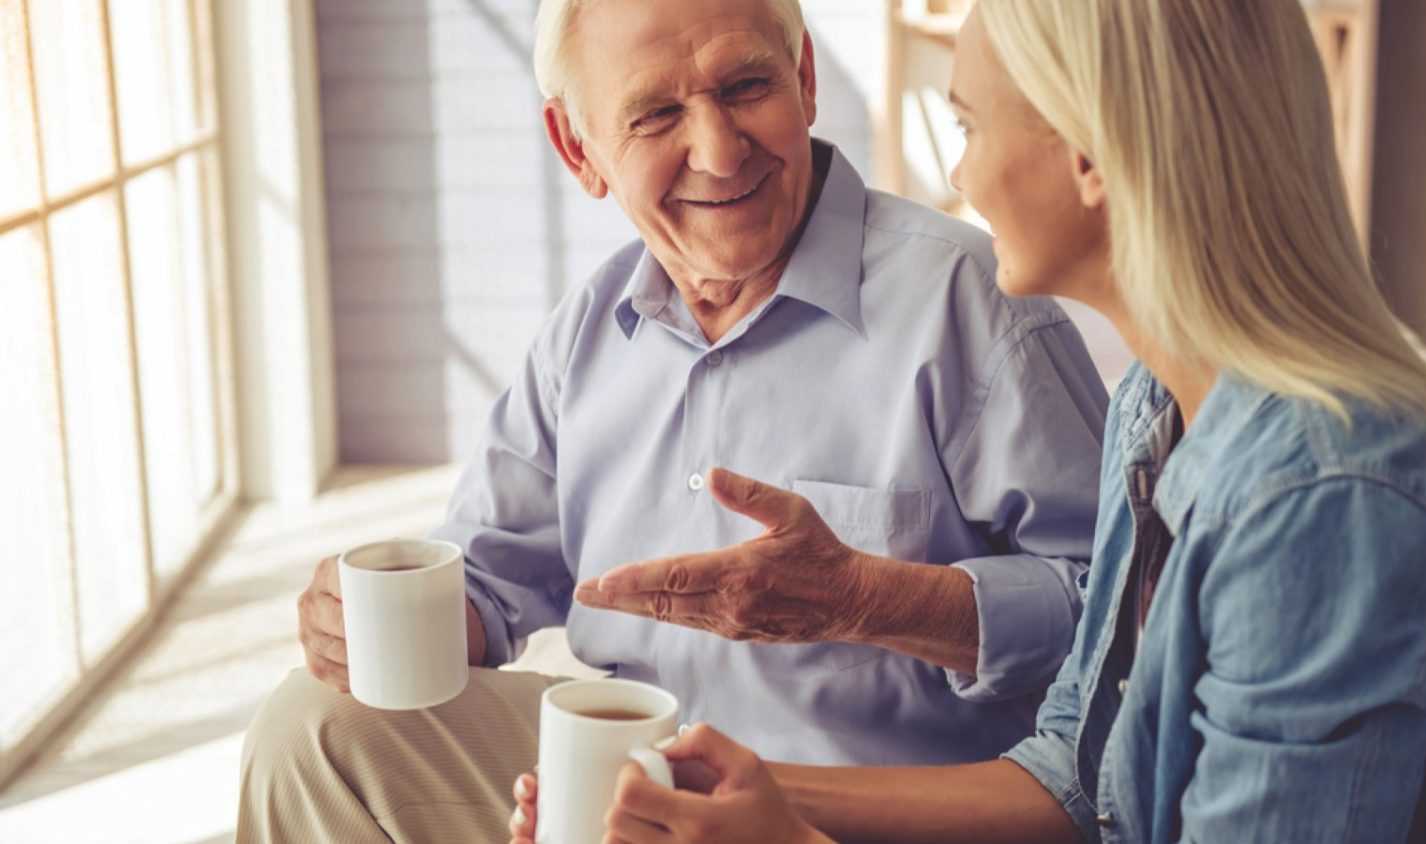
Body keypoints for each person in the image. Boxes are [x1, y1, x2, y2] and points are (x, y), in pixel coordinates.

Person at [510, 0, 1426, 841]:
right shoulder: (1159, 412)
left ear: (1087, 157)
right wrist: (713, 795)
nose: (959, 180)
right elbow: (1080, 775)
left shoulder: (1324, 502)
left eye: (969, 127)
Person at [235, 0, 1110, 839]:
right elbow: (488, 580)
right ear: (578, 147)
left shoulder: (974, 302)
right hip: (629, 775)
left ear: (804, 78)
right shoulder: (588, 328)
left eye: (745, 88)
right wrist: (371, 622)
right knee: (316, 726)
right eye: (655, 114)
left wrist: (867, 600)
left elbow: (1122, 624)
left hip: (855, 809)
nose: (719, 153)